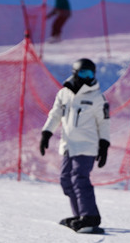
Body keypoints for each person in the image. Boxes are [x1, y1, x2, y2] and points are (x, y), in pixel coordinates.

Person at [39, 58, 110, 233]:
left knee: (79, 179)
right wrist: (46, 132)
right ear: (75, 73)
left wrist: (104, 145)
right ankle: (80, 215)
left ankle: (90, 217)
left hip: (87, 146)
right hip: (69, 145)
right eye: (84, 73)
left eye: (91, 74)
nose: (88, 77)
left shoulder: (97, 97)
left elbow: (104, 123)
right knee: (66, 180)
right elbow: (55, 114)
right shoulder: (64, 94)